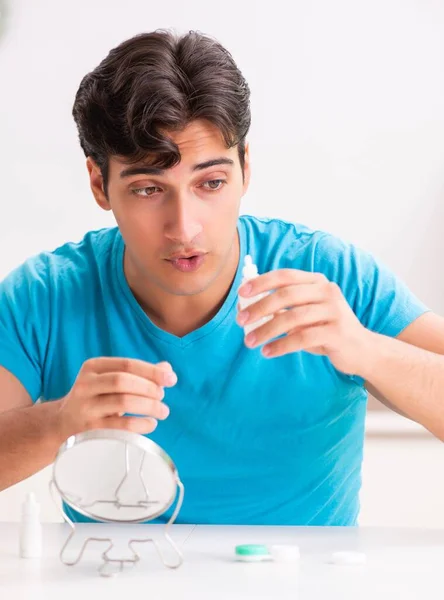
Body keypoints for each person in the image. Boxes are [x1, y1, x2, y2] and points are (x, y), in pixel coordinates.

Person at [1, 30, 443, 526]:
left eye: (210, 183)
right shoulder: (46, 294)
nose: (184, 227)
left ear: (245, 168)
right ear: (100, 184)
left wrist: (366, 349)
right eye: (149, 189)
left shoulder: (331, 275)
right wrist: (56, 423)